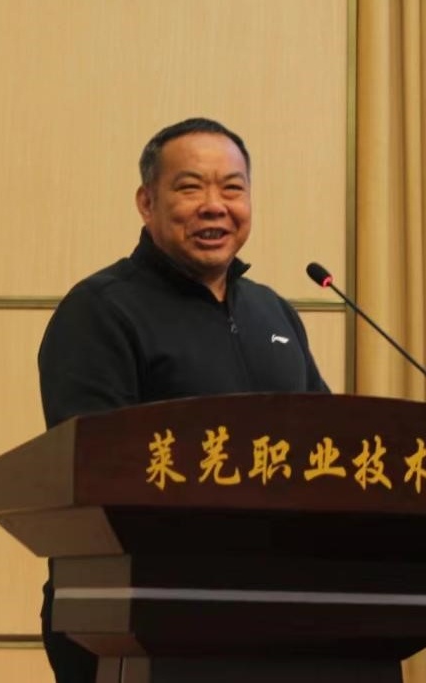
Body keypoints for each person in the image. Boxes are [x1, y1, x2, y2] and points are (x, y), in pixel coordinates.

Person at [37, 117, 329, 682]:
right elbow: (93, 467)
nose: (215, 205)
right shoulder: (100, 310)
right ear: (147, 203)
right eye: (190, 187)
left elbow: (325, 447)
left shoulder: (274, 312)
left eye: (233, 188)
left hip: (280, 613)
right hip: (136, 614)